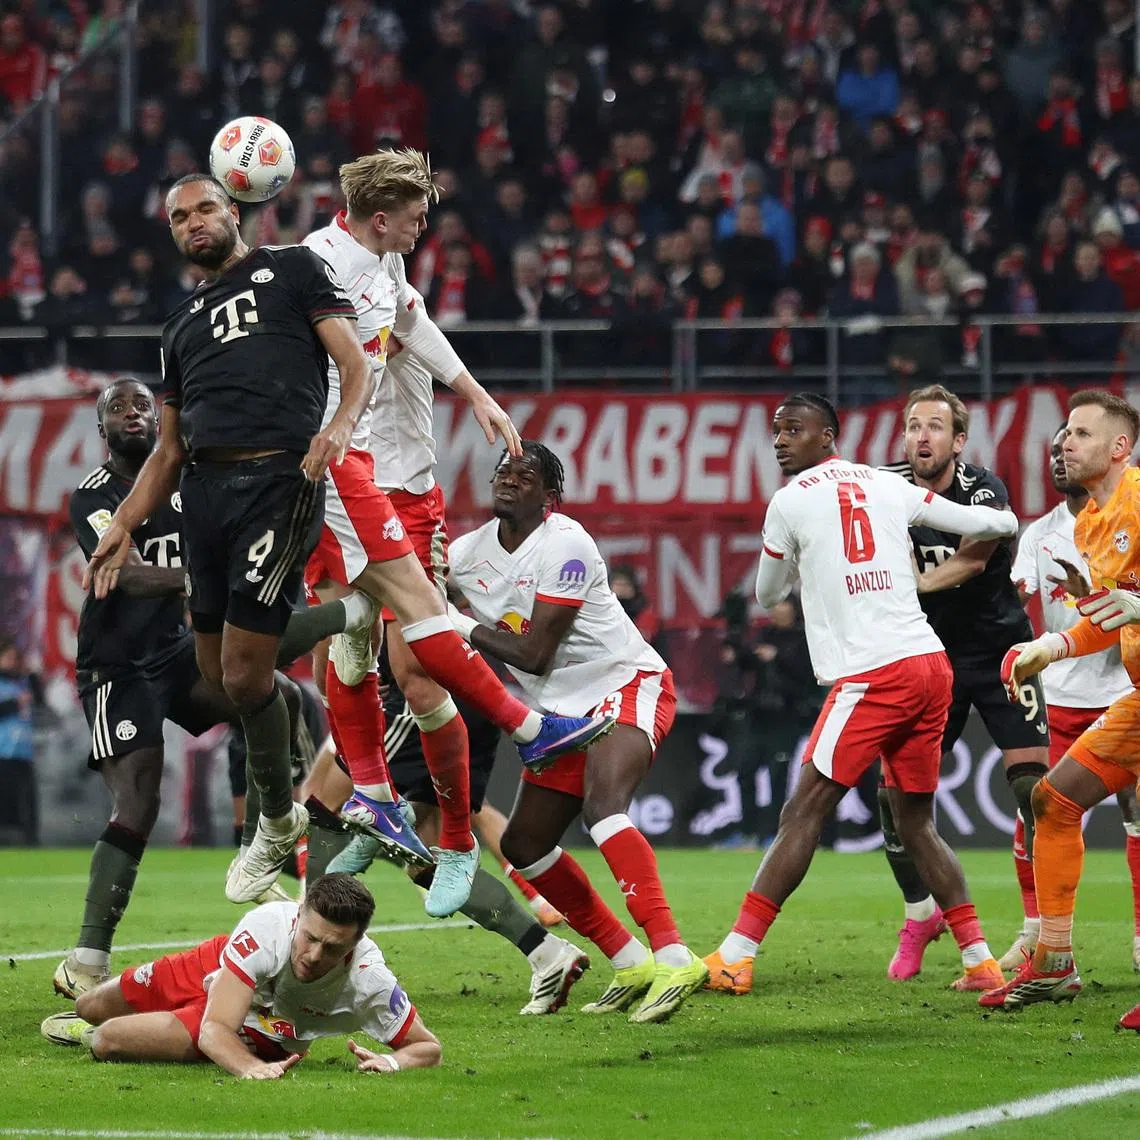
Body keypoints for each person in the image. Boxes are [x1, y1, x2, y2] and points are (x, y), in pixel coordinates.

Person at [299, 147, 614, 918]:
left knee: (415, 672)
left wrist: (473, 392)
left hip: (397, 491)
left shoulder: (388, 269)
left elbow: (413, 321)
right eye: (415, 216)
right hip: (337, 477)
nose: (424, 227)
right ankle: (361, 802)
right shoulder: (312, 268)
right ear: (381, 218)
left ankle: (451, 835)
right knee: (343, 647)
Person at [83, 174, 376, 907]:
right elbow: (167, 451)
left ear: (234, 211)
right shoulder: (179, 323)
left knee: (245, 678)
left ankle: (277, 823)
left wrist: (337, 427)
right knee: (221, 676)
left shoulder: (293, 269)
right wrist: (121, 526)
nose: (193, 223)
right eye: (179, 216)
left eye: (205, 208)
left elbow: (355, 362)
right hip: (203, 497)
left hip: (278, 481)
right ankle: (353, 616)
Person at [57, 377, 364, 1000]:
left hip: (176, 652)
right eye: (119, 407)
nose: (134, 413)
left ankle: (263, 840)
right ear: (102, 427)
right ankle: (86, 958)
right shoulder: (95, 496)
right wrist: (197, 576)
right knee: (138, 803)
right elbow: (121, 572)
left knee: (273, 690)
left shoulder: (187, 482)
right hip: (117, 667)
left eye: (144, 404)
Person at [703, 393, 1015, 999]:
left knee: (804, 809)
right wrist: (1007, 522)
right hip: (931, 667)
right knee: (916, 823)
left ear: (828, 437)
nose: (781, 440)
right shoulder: (884, 483)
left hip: (875, 674)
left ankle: (737, 954)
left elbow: (767, 596)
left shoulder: (789, 503)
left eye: (794, 429)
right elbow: (981, 523)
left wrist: (801, 564)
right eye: (777, 430)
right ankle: (980, 958)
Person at [446, 441, 707, 1025]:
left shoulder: (566, 542)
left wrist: (455, 620)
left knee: (604, 809)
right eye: (503, 471)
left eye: (527, 475)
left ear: (550, 497)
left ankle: (673, 955)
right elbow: (414, 586)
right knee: (523, 845)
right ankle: (630, 960)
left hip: (623, 683)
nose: (510, 480)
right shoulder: (465, 554)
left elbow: (535, 654)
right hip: (558, 714)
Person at [875, 385, 1051, 982]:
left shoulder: (984, 491)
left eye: (934, 426)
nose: (921, 436)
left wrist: (901, 588)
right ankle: (919, 912)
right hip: (928, 660)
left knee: (1035, 792)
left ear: (958, 440)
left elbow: (973, 560)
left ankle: (1039, 935)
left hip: (1002, 652)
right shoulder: (884, 485)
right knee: (893, 797)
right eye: (913, 426)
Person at [987, 391, 1140, 1025]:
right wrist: (1050, 646)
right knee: (1053, 801)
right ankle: (1054, 960)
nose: (1063, 442)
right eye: (1064, 433)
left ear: (1119, 448)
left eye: (1080, 433)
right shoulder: (1089, 525)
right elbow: (1114, 615)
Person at [41, 874, 442, 1077]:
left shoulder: (370, 979)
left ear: (355, 946)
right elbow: (216, 1028)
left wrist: (391, 1063)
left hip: (267, 1026)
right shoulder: (265, 928)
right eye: (310, 938)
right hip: (221, 965)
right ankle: (88, 1019)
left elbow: (428, 1048)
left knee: (110, 1040)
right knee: (90, 1004)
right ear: (297, 914)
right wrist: (247, 1069)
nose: (315, 955)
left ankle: (93, 1034)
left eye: (334, 948)